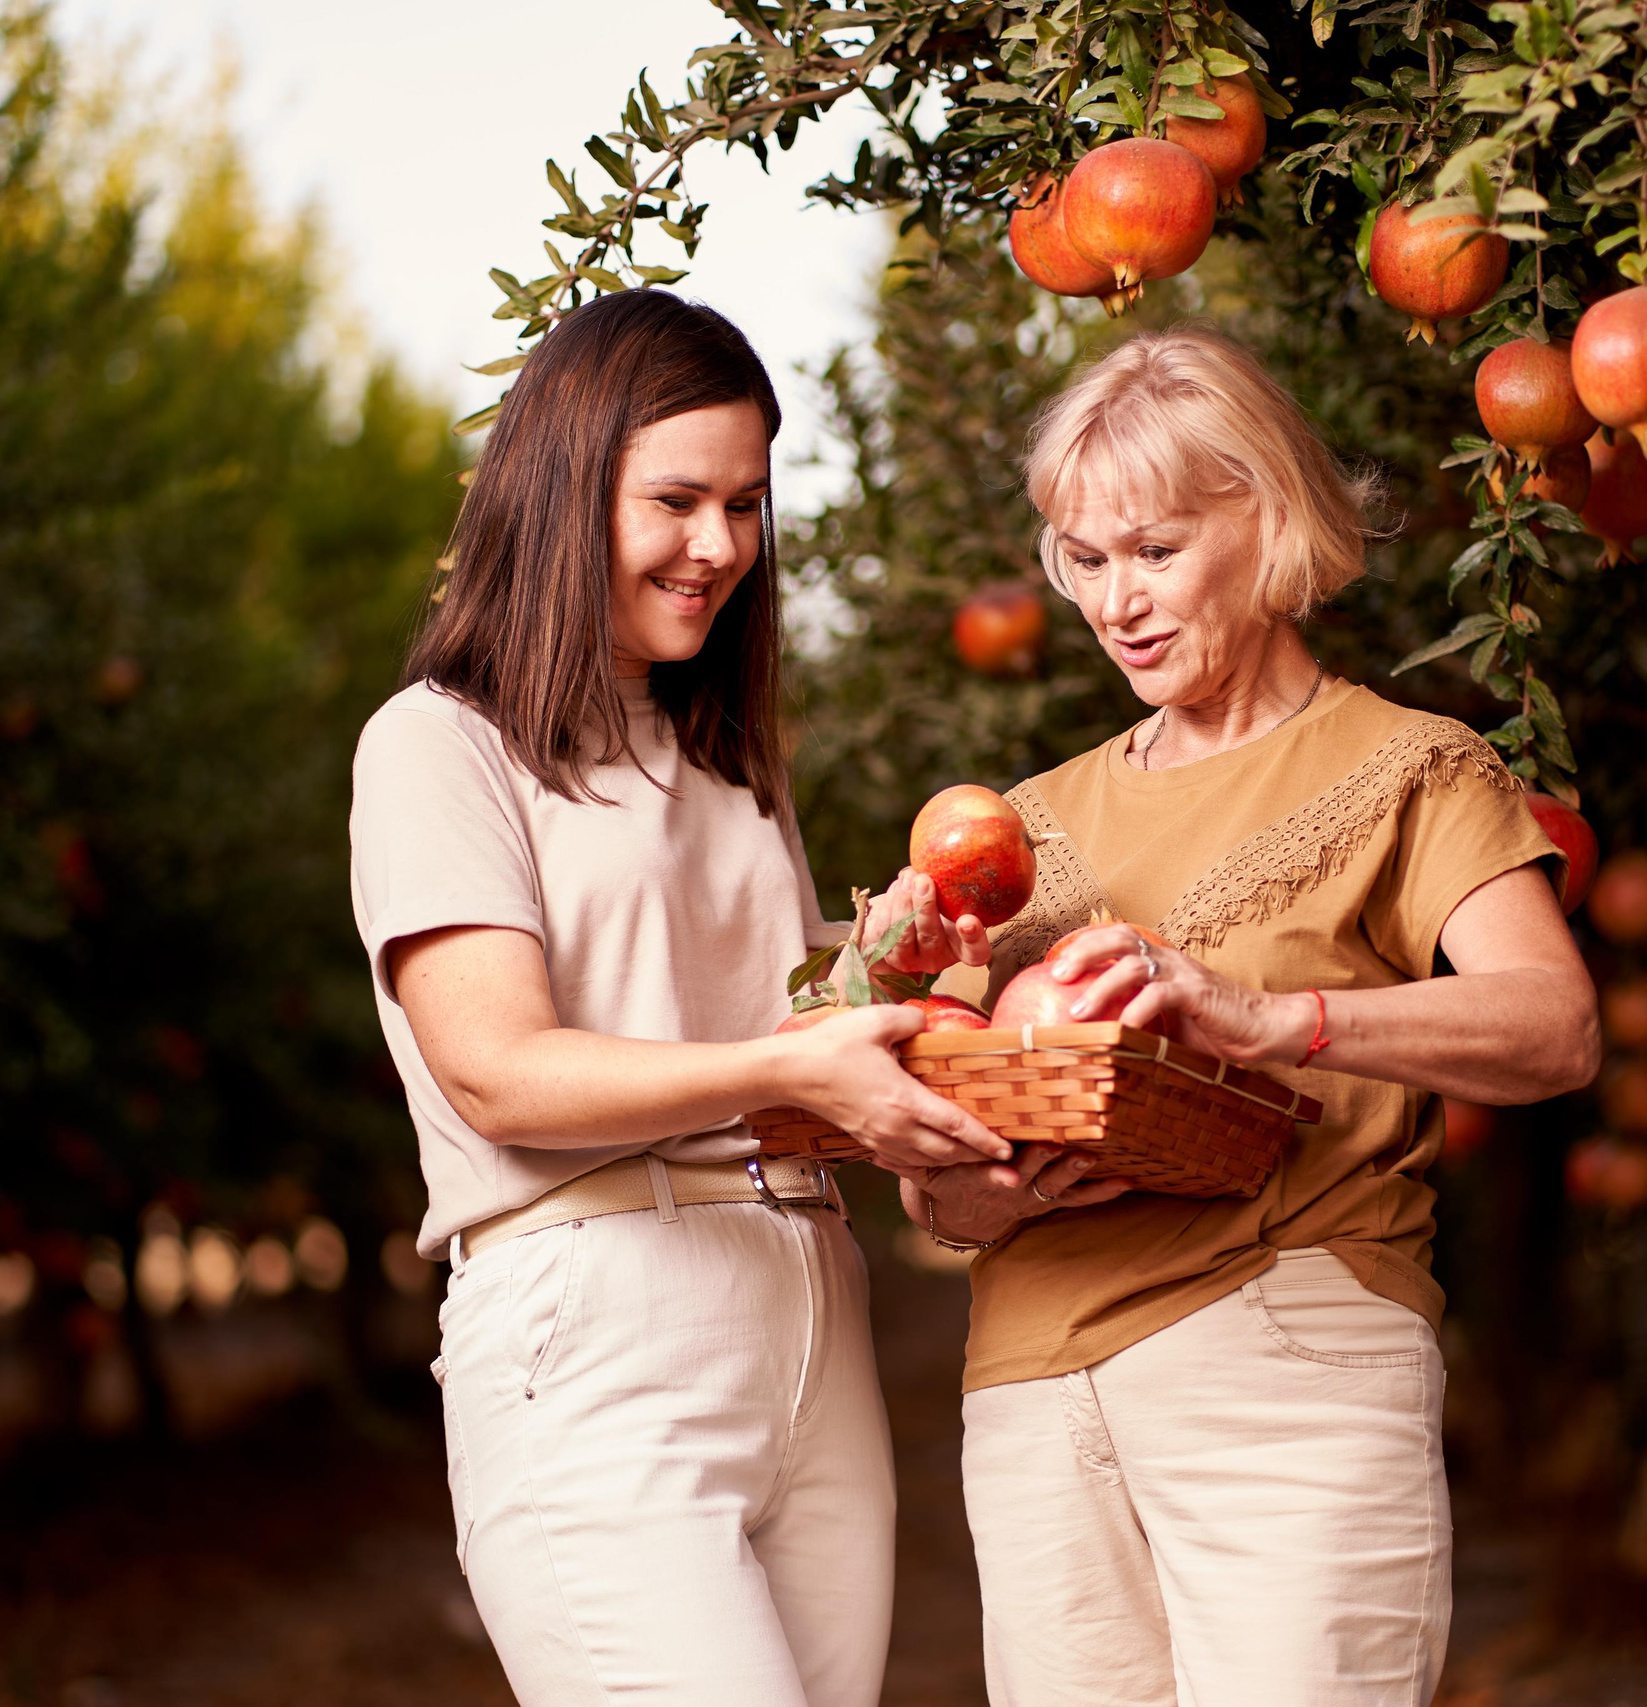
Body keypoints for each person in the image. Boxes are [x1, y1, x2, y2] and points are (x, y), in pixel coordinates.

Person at [891, 326, 1602, 1706]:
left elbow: (1553, 1027)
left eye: (1154, 550)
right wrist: (993, 1189)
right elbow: (939, 1201)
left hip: (1287, 1363)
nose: (1117, 603)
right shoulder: (1017, 832)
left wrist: (1268, 1022)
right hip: (1033, 1389)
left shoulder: (1411, 767)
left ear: (1267, 520)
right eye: (1083, 561)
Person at [347, 288, 1011, 1707]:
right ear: (564, 483)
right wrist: (794, 1076)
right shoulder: (440, 747)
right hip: (598, 1316)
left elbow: (765, 1032)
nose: (721, 546)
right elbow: (501, 1074)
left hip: (805, 1297)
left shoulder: (723, 756)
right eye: (678, 500)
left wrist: (887, 965)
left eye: (748, 505)